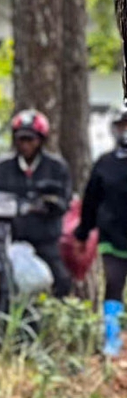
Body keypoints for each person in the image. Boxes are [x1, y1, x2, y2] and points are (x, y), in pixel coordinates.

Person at [0, 109, 76, 297]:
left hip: (43, 240)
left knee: (61, 280)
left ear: (41, 140)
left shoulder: (56, 168)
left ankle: (52, 320)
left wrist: (49, 204)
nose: (25, 145)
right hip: (7, 237)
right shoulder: (1, 166)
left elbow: (64, 198)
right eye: (21, 139)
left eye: (31, 139)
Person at [76, 104, 127, 356]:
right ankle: (112, 340)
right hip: (113, 238)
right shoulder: (105, 164)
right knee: (114, 283)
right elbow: (90, 202)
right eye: (122, 126)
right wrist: (82, 234)